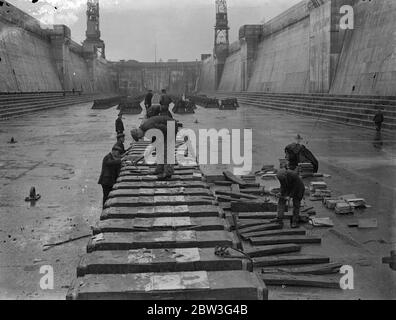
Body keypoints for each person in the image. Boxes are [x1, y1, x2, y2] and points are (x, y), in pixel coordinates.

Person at [131, 115, 178, 180]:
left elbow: (163, 129)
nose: (142, 138)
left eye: (140, 137)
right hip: (167, 128)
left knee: (167, 151)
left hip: (170, 127)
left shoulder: (148, 127)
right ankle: (160, 169)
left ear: (138, 132)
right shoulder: (146, 129)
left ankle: (168, 173)